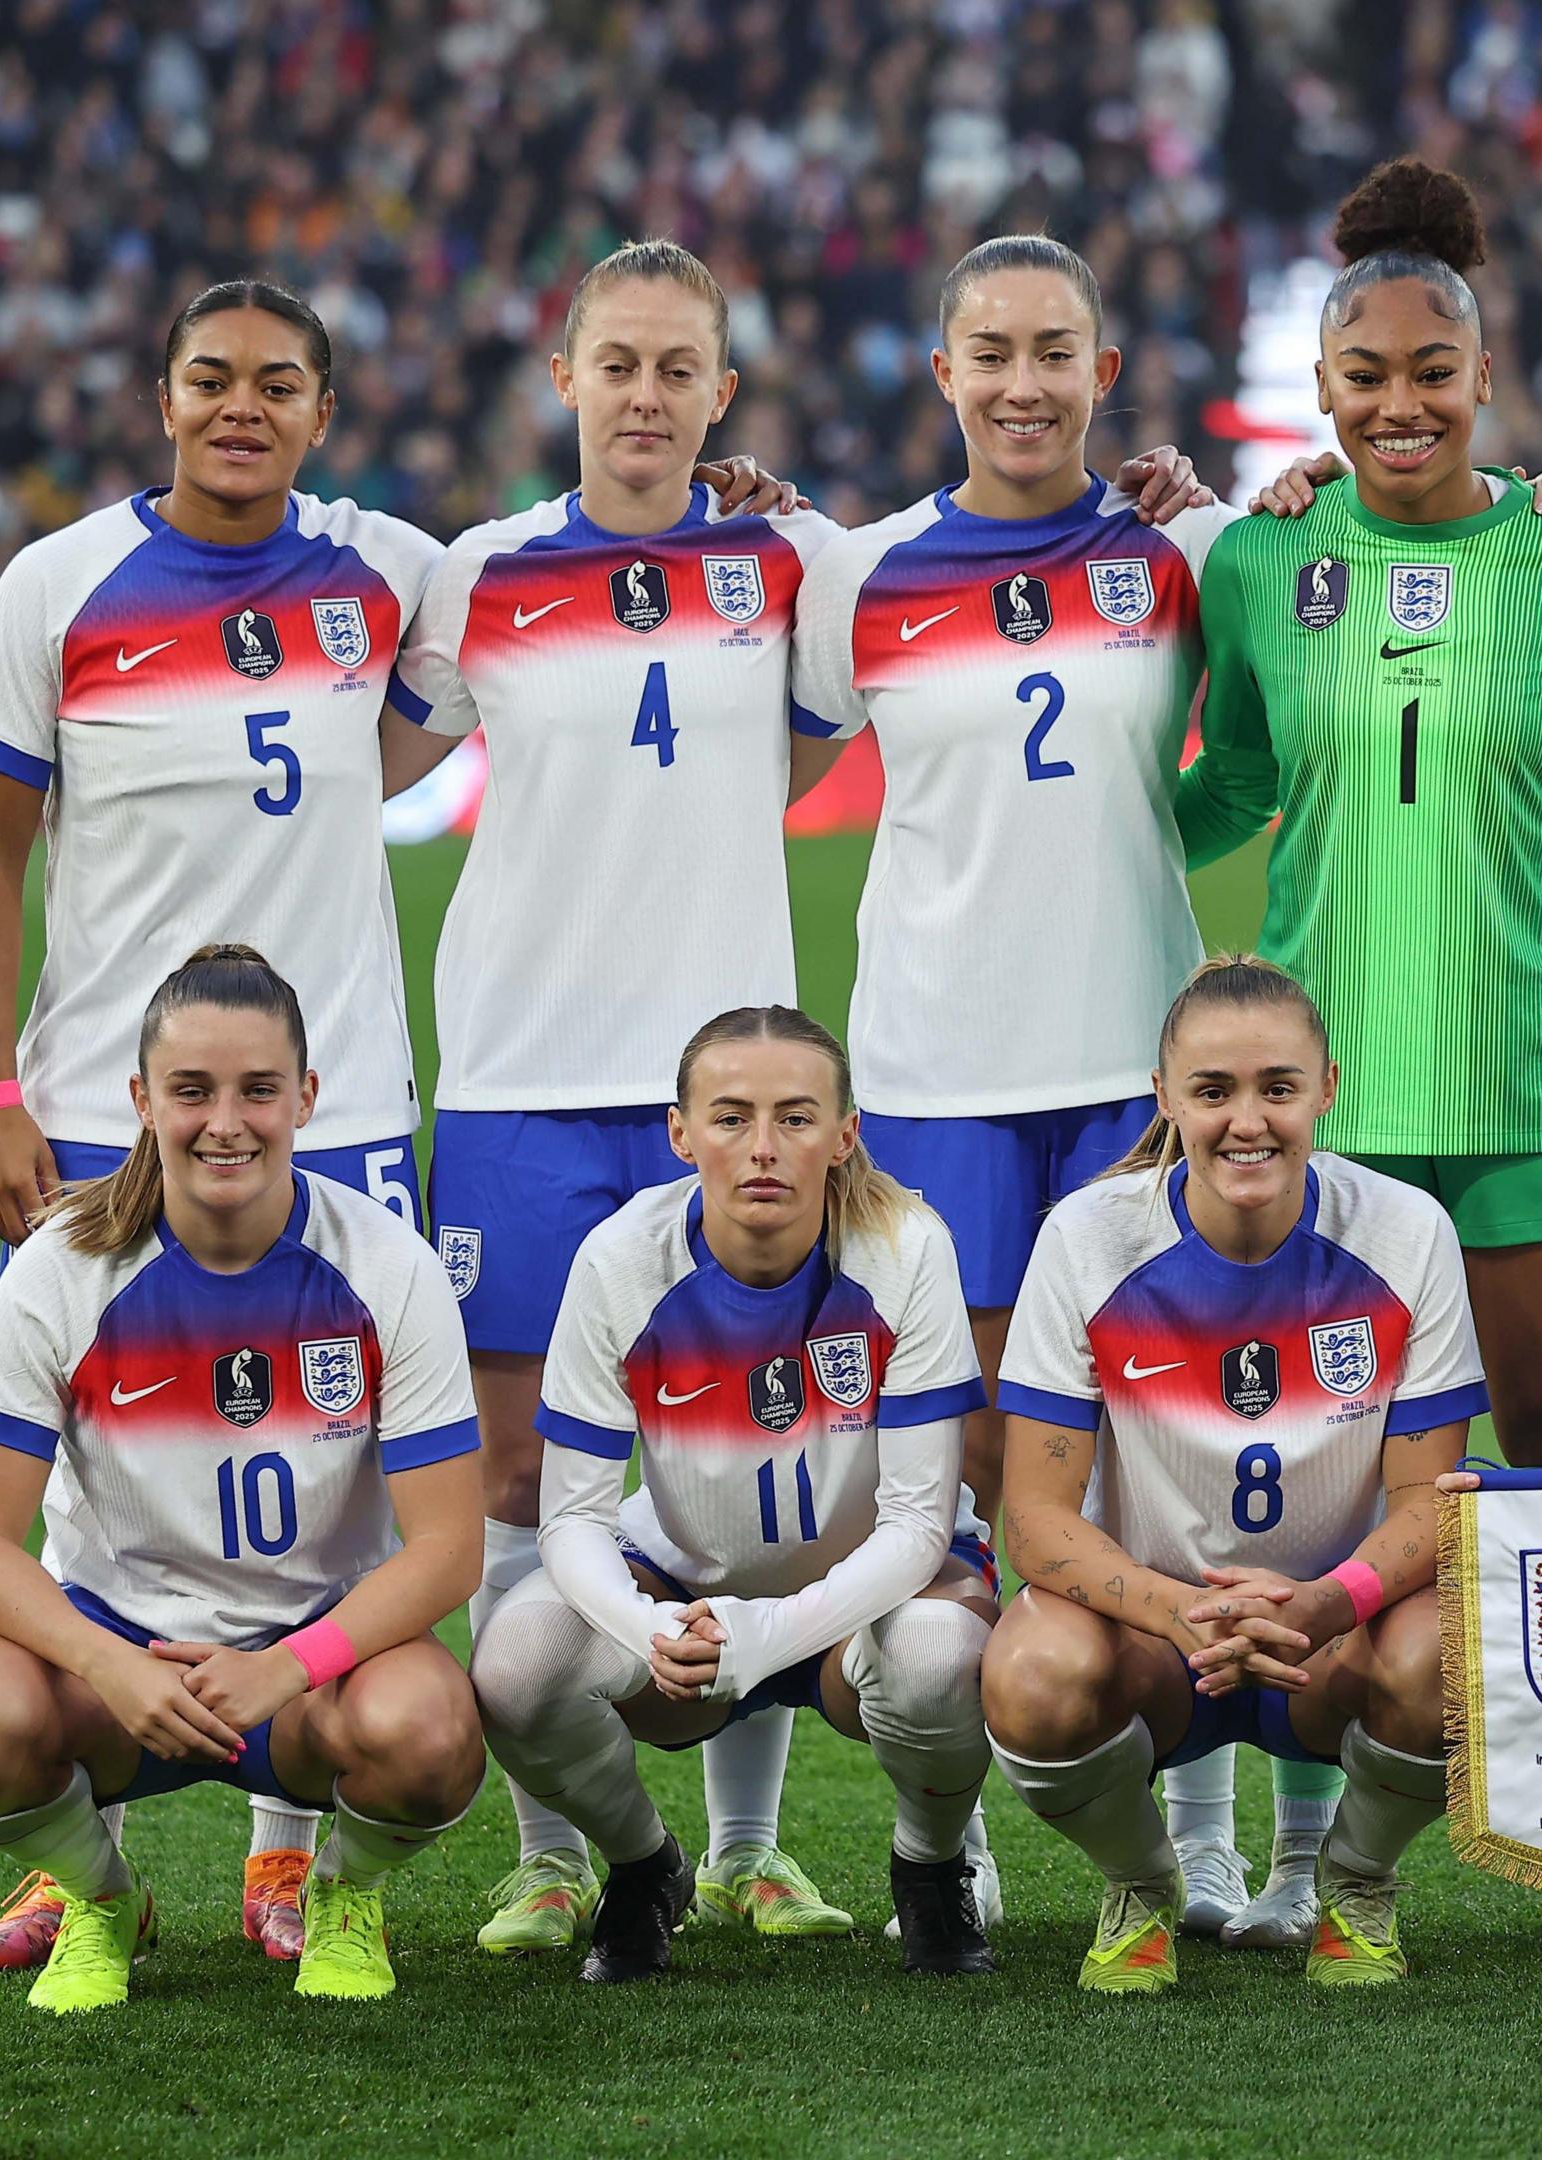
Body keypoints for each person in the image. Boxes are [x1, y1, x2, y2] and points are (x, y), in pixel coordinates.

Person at [786, 235, 1322, 1946]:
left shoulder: (1182, 549)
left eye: (1057, 352)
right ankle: (976, 1816)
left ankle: (1204, 1840)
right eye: (990, 352)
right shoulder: (855, 576)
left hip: (1133, 1065)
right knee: (978, 1458)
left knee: (1161, 1457)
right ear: (942, 375)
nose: (1024, 382)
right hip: (941, 1070)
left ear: (1106, 374)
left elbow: (1314, 581)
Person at [0, 279, 442, 1966]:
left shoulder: (383, 568)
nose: (244, 405)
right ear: (161, 395)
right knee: (103, 1464)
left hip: (343, 1098)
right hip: (103, 1110)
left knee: (335, 1483)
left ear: (322, 410)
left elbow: (578, 544)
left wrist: (749, 497)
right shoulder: (57, 585)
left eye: (279, 383)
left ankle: (284, 1852)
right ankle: (77, 1852)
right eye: (212, 378)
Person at [389, 240, 874, 1956]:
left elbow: (806, 749)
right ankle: (558, 1852)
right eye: (622, 365)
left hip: (728, 1084)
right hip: (523, 1078)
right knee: (529, 1470)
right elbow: (368, 756)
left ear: (723, 395)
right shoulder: (479, 576)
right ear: (565, 375)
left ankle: (747, 1853)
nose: (649, 398)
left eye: (683, 370)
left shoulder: (790, 560)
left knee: (740, 1463)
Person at [1177, 158, 1542, 1485]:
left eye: (1434, 371)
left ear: (1486, 376)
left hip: (1537, 1080)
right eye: (1367, 376)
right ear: (1324, 386)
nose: (1401, 405)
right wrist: (1064, 864)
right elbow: (1233, 783)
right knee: (1339, 1466)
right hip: (1327, 1093)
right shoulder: (1259, 562)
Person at [0, 946, 485, 2013]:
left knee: (432, 1730)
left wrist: (291, 1666)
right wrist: (110, 1663)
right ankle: (100, 1896)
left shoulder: (385, 1264)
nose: (226, 1121)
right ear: (140, 1100)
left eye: (259, 1091)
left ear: (307, 1099)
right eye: (191, 1091)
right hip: (115, 1671)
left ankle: (342, 1891)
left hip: (312, 1681)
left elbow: (451, 1546)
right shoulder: (62, 1268)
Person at [465, 1005, 1003, 1981]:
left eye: (797, 1118)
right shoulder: (622, 1259)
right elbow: (573, 1517)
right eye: (730, 1117)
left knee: (940, 1656)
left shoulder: (908, 1248)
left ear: (845, 1136)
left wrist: (773, 1631)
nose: (763, 1148)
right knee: (517, 1665)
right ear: (679, 1133)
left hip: (868, 1604)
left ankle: (930, 1866)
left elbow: (922, 1519)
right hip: (682, 1584)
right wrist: (646, 1630)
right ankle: (646, 1866)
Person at [980, 958, 1487, 1993]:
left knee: (1454, 1648)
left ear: (1328, 1089)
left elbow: (1431, 1504)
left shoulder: (1405, 1232)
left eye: (1276, 1088)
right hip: (1161, 1647)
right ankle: (1141, 1882)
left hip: (1336, 1641)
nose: (1245, 1122)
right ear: (1165, 1097)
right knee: (1029, 1676)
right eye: (1211, 1092)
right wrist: (1177, 1613)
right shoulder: (1088, 1237)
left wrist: (1324, 1603)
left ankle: (1355, 1882)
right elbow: (1030, 1520)